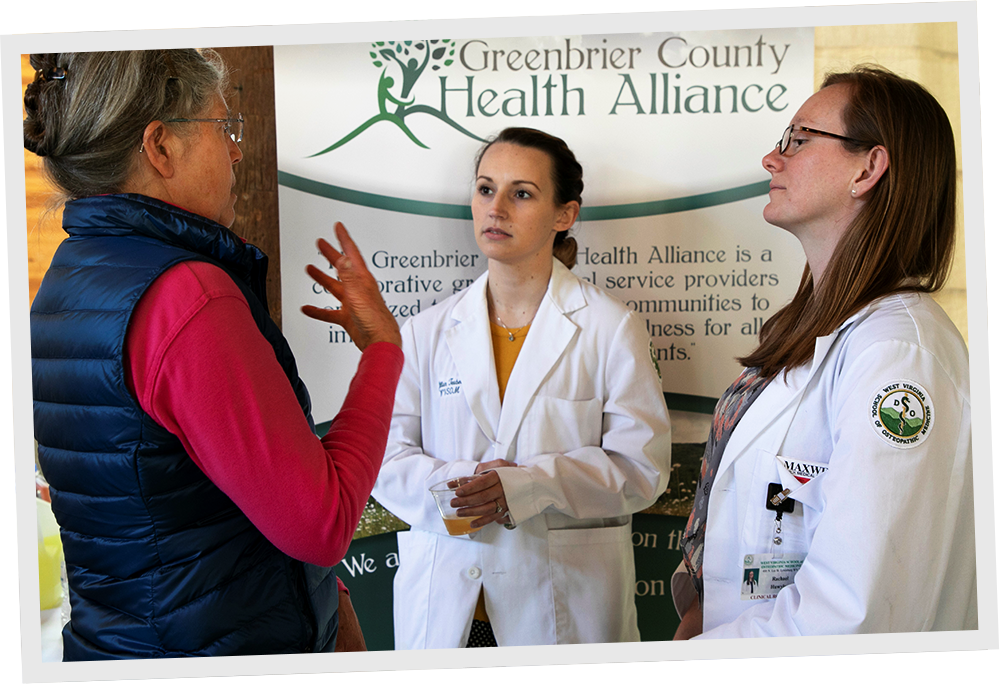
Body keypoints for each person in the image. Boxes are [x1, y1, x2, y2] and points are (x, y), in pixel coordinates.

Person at [24, 49, 404, 659]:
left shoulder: (66, 281)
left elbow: (178, 504)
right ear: (161, 147)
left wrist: (324, 601)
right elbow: (322, 524)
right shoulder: (188, 296)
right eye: (223, 127)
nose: (234, 150)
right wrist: (383, 351)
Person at [671, 65, 976, 639]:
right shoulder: (816, 332)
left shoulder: (899, 353)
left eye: (798, 139)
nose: (771, 158)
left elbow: (851, 613)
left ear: (868, 168)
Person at [371, 127, 672, 649]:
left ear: (565, 215)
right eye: (486, 189)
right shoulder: (425, 332)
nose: (497, 208)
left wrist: (530, 486)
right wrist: (466, 485)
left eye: (522, 193)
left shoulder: (609, 328)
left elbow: (641, 468)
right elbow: (383, 460)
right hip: (448, 607)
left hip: (562, 610)